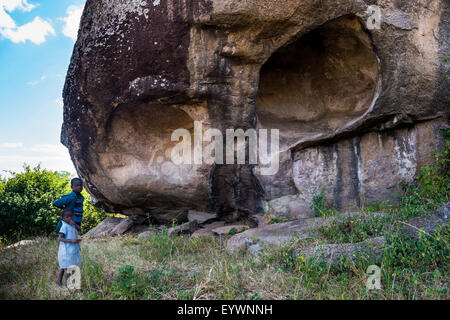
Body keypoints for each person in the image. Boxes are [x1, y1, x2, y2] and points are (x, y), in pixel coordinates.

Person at [56, 209, 82, 286]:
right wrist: (72, 240)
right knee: (66, 268)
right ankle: (69, 285)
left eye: (71, 216)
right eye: (67, 217)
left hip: (71, 251)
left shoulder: (71, 225)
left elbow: (79, 229)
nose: (69, 218)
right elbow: (60, 238)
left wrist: (74, 224)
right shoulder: (64, 226)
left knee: (63, 267)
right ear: (63, 218)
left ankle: (58, 282)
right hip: (65, 252)